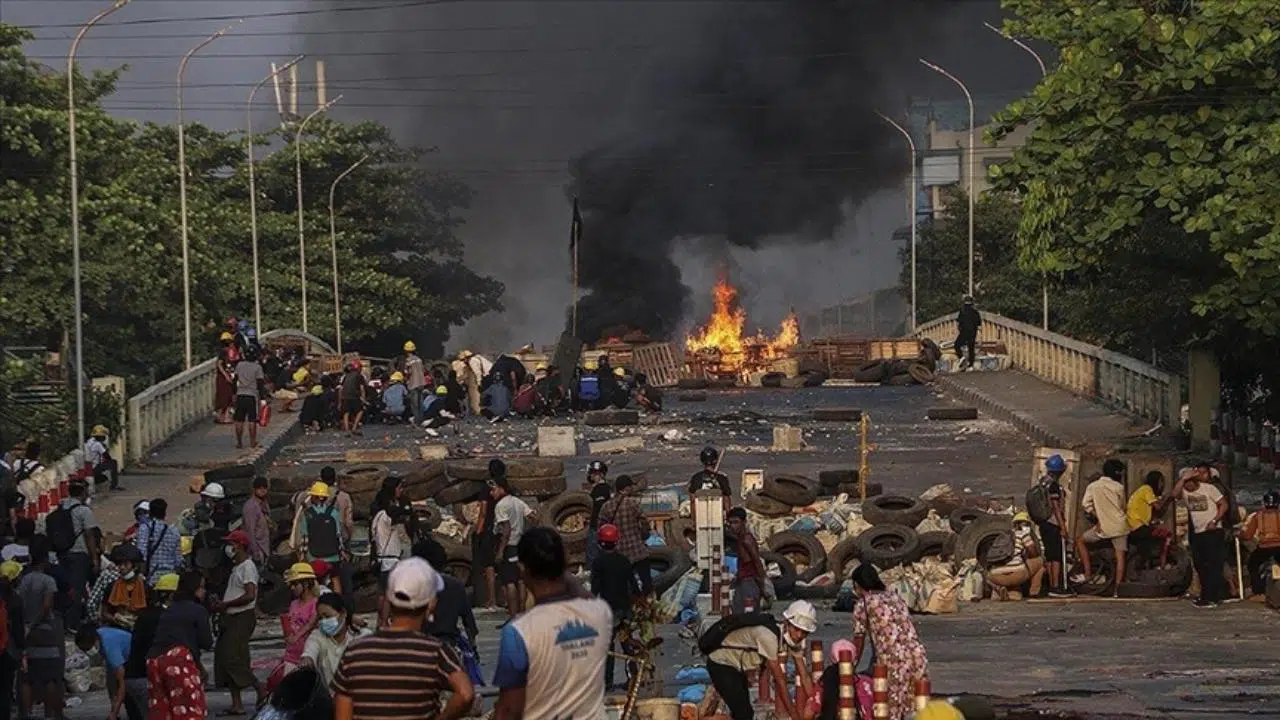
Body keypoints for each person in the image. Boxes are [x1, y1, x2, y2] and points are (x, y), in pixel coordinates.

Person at [332, 558, 475, 720]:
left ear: (389, 600)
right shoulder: (436, 652)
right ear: (431, 604)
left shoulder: (355, 651)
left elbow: (343, 713)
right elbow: (465, 694)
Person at [493, 528, 612, 720]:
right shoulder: (599, 614)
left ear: (523, 570)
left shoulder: (519, 632)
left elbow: (509, 709)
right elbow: (584, 595)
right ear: (564, 565)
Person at [701, 600, 817, 720]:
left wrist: (816, 703)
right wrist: (795, 716)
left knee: (744, 713)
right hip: (721, 663)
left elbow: (804, 676)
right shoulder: (768, 637)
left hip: (737, 668)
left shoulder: (792, 640)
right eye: (796, 629)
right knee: (743, 714)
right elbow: (780, 681)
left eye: (804, 632)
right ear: (786, 622)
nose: (799, 635)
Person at [850, 564, 929, 720]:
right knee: (915, 708)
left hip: (893, 661)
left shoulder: (863, 604)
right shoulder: (895, 597)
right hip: (917, 656)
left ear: (857, 585)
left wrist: (849, 669)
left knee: (890, 710)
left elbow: (858, 642)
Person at [414, 537, 482, 691]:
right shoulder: (456, 586)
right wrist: (473, 652)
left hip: (419, 650)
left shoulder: (412, 587)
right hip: (449, 649)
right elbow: (470, 626)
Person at [211, 529, 264, 713]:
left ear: (240, 545)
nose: (229, 548)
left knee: (234, 657)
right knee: (224, 658)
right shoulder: (236, 567)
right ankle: (237, 703)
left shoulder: (248, 567)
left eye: (231, 544)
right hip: (231, 616)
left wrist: (226, 604)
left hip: (241, 617)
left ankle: (258, 687)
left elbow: (250, 595)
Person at [147, 571, 212, 720]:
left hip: (153, 659)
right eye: (202, 587)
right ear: (194, 589)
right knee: (189, 710)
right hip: (178, 661)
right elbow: (206, 642)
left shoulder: (169, 609)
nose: (204, 591)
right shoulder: (198, 610)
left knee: (161, 710)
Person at [18, 535, 64, 720]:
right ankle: (51, 714)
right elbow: (46, 606)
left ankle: (26, 714)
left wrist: (26, 625)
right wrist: (36, 622)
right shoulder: (48, 581)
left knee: (27, 678)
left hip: (25, 629)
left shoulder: (23, 580)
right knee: (50, 676)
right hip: (44, 630)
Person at [591, 524, 642, 690]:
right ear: (616, 542)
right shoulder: (624, 561)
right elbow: (634, 586)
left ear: (600, 543)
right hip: (625, 608)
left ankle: (608, 682)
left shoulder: (598, 563)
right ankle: (633, 678)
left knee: (608, 647)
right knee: (627, 644)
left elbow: (595, 588)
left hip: (608, 609)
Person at [1174, 465, 1228, 607]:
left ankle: (1213, 597)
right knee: (1200, 564)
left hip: (1213, 530)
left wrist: (1215, 520)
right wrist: (1183, 479)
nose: (1188, 487)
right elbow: (1174, 494)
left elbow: (1223, 504)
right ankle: (1206, 595)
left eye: (1190, 483)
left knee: (1213, 565)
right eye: (1186, 484)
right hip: (1198, 532)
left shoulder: (1209, 489)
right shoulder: (1184, 492)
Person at [125, 572, 177, 719]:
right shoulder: (167, 617)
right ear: (173, 594)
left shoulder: (146, 614)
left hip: (133, 677)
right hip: (147, 678)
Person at [1074, 460, 1130, 594]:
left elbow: (1085, 504)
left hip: (1103, 526)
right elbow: (1122, 506)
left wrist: (1097, 515)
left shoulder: (1093, 486)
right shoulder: (1119, 487)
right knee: (1120, 557)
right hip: (1119, 525)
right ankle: (1118, 590)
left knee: (1080, 541)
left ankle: (1088, 574)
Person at [52, 478, 99, 632]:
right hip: (79, 554)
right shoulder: (83, 510)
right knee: (77, 589)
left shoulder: (61, 508)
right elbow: (89, 535)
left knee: (65, 588)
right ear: (83, 492)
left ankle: (64, 619)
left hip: (61, 553)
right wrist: (94, 558)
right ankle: (73, 623)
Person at [598, 474, 653, 596]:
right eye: (630, 488)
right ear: (625, 489)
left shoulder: (606, 507)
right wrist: (644, 534)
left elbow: (601, 529)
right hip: (638, 550)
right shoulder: (632, 503)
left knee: (626, 584)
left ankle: (630, 606)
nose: (632, 490)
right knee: (646, 582)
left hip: (620, 553)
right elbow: (645, 521)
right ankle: (648, 607)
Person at [300, 592, 369, 690]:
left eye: (327, 616)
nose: (324, 621)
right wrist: (306, 661)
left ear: (343, 613)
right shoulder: (318, 636)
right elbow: (310, 652)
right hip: (330, 701)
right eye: (320, 618)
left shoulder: (363, 636)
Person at [76, 618, 138, 720]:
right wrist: (113, 707)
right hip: (126, 659)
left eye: (87, 648)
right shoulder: (99, 636)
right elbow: (111, 677)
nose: (87, 652)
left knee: (130, 694)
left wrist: (114, 713)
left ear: (94, 642)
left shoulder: (109, 646)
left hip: (135, 661)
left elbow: (123, 682)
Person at [492, 476, 535, 618]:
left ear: (501, 488)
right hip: (520, 545)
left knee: (509, 582)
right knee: (520, 580)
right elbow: (533, 516)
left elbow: (506, 530)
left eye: (494, 490)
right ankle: (522, 612)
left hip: (509, 546)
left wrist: (500, 552)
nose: (492, 493)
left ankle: (512, 615)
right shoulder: (518, 502)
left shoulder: (501, 506)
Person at [1031, 453, 1072, 596]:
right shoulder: (1054, 486)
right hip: (1053, 523)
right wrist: (1063, 527)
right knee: (1056, 556)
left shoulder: (1042, 482)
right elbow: (1055, 507)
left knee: (1049, 554)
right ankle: (1055, 586)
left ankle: (1049, 584)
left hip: (1043, 524)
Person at [987, 512, 1046, 599]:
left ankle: (1000, 589)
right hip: (1016, 575)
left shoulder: (1003, 536)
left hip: (995, 576)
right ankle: (1034, 592)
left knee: (1016, 595)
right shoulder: (1023, 534)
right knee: (1040, 562)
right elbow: (1033, 552)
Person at [278, 562, 320, 680]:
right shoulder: (294, 604)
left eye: (295, 584)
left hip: (308, 656)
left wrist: (296, 637)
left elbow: (311, 624)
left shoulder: (316, 604)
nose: (292, 588)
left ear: (306, 584)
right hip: (291, 655)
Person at [470, 462, 502, 609]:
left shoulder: (486, 488)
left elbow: (483, 513)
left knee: (488, 566)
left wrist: (478, 532)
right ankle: (505, 599)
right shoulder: (506, 487)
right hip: (502, 528)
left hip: (489, 529)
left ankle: (492, 600)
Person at [372, 476, 411, 590]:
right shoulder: (384, 513)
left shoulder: (402, 501)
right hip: (390, 555)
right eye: (399, 488)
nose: (401, 490)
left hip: (395, 548)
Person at [1127, 470, 1171, 570]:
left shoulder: (1142, 490)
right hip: (1138, 526)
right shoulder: (1147, 489)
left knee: (1145, 547)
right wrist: (1167, 499)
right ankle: (1162, 566)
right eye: (1161, 482)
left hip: (1134, 525)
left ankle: (1144, 565)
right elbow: (1157, 507)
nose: (1162, 485)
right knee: (1167, 535)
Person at [726, 506, 767, 612]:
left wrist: (763, 584)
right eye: (730, 523)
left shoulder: (747, 539)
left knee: (748, 615)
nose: (732, 526)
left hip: (749, 583)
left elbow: (756, 561)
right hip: (742, 581)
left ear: (744, 522)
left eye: (736, 522)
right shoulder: (739, 539)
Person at [1240, 489, 1280, 597]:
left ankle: (1258, 591)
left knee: (1252, 565)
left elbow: (1247, 536)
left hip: (1264, 548)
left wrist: (1240, 534)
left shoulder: (1257, 516)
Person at [136, 498, 181, 586]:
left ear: (150, 513)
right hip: (170, 577)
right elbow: (178, 559)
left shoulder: (145, 528)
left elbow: (141, 554)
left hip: (152, 578)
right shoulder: (174, 531)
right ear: (164, 514)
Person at [100, 544, 148, 625]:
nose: (121, 567)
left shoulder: (145, 588)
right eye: (119, 564)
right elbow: (104, 613)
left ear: (135, 566)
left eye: (126, 564)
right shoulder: (111, 586)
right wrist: (115, 619)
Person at [689, 446, 732, 532]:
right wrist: (728, 519)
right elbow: (727, 501)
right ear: (715, 460)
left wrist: (694, 521)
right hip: (718, 516)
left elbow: (693, 501)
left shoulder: (696, 478)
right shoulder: (722, 478)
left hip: (701, 517)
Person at [232, 346, 267, 449]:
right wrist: (262, 398)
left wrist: (234, 393)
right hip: (251, 396)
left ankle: (239, 443)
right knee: (252, 420)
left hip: (240, 395)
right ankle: (252, 442)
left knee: (239, 420)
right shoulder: (257, 367)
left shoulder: (239, 365)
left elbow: (235, 381)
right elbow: (260, 384)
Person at [585, 460, 611, 567]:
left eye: (592, 474)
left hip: (597, 526)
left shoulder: (601, 489)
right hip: (600, 525)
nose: (591, 476)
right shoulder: (602, 488)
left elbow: (600, 507)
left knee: (593, 554)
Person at [241, 477, 272, 567]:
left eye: (265, 487)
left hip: (265, 547)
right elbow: (249, 531)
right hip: (257, 550)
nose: (262, 490)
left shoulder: (264, 504)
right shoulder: (251, 506)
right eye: (259, 488)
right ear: (254, 489)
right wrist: (256, 554)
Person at [84, 423, 121, 491]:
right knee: (113, 463)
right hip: (94, 467)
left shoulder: (89, 442)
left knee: (104, 475)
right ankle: (114, 485)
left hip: (88, 466)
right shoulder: (98, 444)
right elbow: (106, 456)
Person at [215, 332, 241, 424]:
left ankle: (226, 416)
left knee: (230, 397)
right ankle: (222, 416)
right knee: (224, 397)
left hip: (232, 376)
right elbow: (219, 364)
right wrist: (226, 375)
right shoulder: (223, 352)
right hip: (224, 377)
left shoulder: (234, 351)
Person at [340, 360, 367, 435]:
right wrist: (363, 399)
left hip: (344, 396)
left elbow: (341, 388)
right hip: (354, 396)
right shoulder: (359, 376)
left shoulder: (346, 376)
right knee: (360, 410)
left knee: (346, 412)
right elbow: (362, 388)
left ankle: (347, 430)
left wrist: (340, 400)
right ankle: (354, 428)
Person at [955, 295, 981, 370]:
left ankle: (961, 357)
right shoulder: (975, 312)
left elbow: (958, 322)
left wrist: (959, 329)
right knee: (971, 348)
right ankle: (971, 365)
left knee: (957, 345)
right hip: (973, 332)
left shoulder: (962, 311)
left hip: (964, 332)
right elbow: (979, 323)